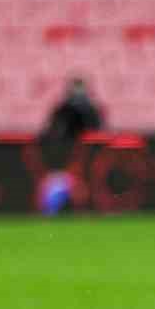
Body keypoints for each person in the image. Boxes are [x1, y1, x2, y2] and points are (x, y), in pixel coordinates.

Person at [38, 77, 103, 216]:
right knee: (58, 184)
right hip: (67, 163)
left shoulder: (90, 111)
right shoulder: (64, 111)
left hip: (85, 164)